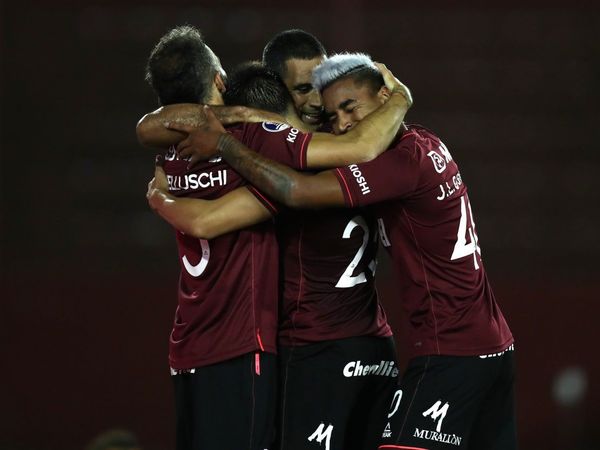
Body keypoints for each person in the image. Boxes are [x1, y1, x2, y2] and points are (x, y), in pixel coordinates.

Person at [174, 53, 517, 450]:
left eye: (351, 107)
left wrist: (223, 143)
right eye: (333, 115)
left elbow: (297, 191)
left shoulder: (400, 163)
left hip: (452, 352)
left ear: (384, 97)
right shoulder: (427, 143)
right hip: (493, 346)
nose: (343, 124)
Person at [148, 59, 411, 450]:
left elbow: (205, 218)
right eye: (303, 89)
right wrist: (399, 99)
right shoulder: (356, 148)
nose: (317, 100)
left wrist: (160, 197)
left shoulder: (280, 167)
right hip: (374, 348)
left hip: (313, 353)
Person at [144, 25, 280, 450]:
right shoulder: (251, 148)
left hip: (188, 346)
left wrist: (160, 199)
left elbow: (149, 126)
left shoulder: (167, 157)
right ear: (220, 80)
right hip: (240, 344)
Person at [262, 29, 327, 129]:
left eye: (323, 85)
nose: (318, 102)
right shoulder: (250, 138)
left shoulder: (346, 125)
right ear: (273, 90)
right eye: (304, 90)